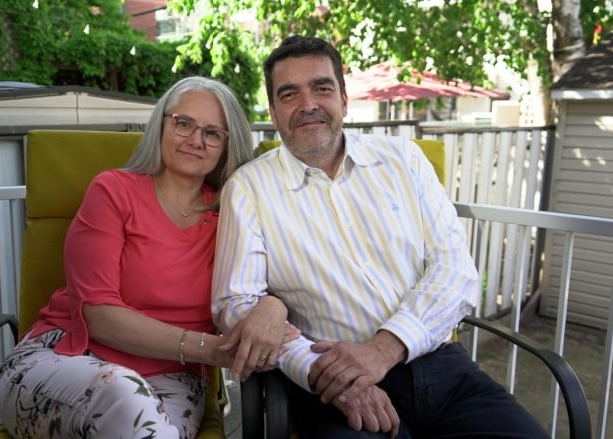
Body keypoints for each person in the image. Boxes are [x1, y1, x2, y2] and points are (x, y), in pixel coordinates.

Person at [212, 36, 551, 439]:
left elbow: (456, 271)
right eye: (289, 94)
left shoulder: (403, 161)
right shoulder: (248, 189)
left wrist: (382, 349)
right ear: (272, 110)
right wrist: (324, 373)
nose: (308, 105)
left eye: (322, 88)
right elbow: (236, 304)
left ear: (343, 98)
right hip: (335, 390)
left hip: (444, 371)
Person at [0, 76, 293, 439]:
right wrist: (211, 350)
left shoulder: (233, 214)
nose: (196, 141)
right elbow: (99, 315)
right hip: (67, 360)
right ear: (162, 125)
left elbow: (274, 281)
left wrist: (274, 307)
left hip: (173, 380)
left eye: (213, 133)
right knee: (122, 396)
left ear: (226, 146)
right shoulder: (113, 191)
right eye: (184, 124)